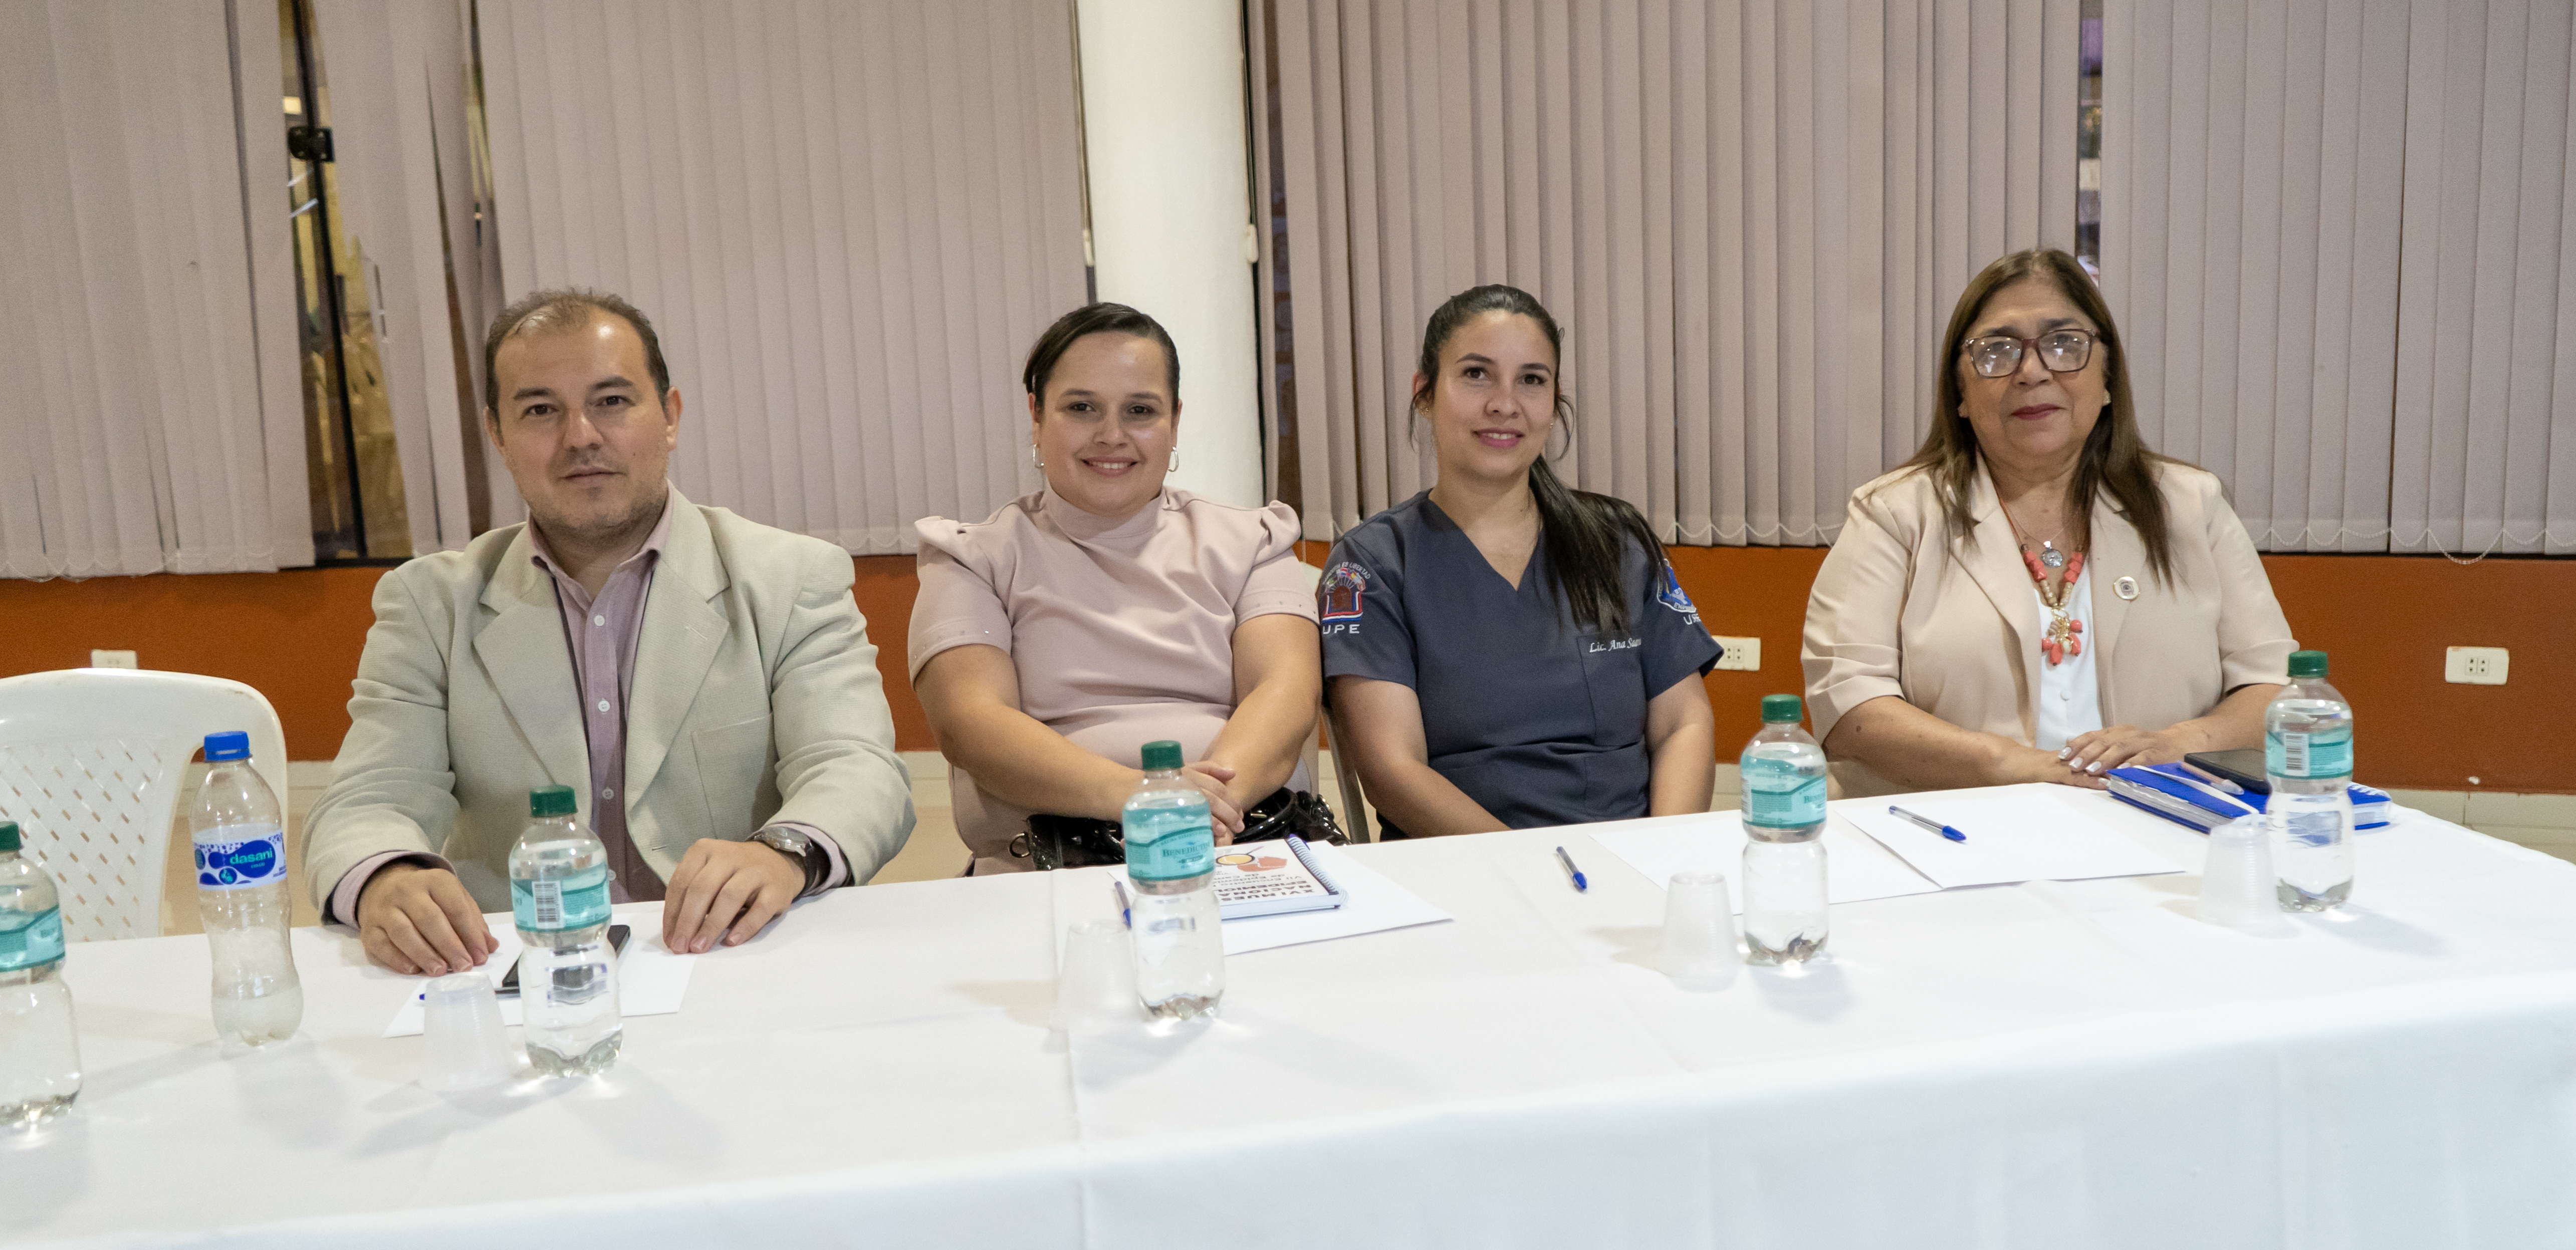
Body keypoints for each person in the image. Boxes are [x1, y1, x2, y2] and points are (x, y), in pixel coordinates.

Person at [306, 289, 915, 974]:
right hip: (518, 967)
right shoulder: (430, 603)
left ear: (670, 416)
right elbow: (368, 799)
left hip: (736, 958)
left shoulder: (789, 578)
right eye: (540, 410)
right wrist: (385, 876)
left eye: (612, 401)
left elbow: (858, 770)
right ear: (498, 436)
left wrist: (782, 852)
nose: (581, 437)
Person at [1801, 248, 2295, 796]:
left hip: (2159, 824)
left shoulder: (2189, 506)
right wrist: (2008, 764)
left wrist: (2176, 743)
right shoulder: (1893, 514)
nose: (2032, 372)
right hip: (1955, 833)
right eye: (1997, 351)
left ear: (2107, 378)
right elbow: (1846, 704)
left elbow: (2274, 686)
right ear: (1960, 393)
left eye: (2064, 344)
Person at [908, 303, 1324, 873]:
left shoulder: (1252, 539)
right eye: (1081, 408)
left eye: (1140, 410)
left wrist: (1201, 812)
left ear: (1175, 420)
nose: (1111, 435)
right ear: (1036, 414)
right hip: (1047, 865)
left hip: (1240, 846)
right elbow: (971, 724)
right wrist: (1149, 800)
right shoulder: (972, 556)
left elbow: (1286, 691)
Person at [1319, 284, 1720, 836]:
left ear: (1553, 406)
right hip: (1467, 870)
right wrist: (1537, 872)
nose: (1504, 404)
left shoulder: (1616, 540)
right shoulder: (1372, 565)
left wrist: (1663, 854)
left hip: (1628, 860)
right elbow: (1392, 771)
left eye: (1531, 380)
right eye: (1476, 374)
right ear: (1424, 394)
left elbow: (1683, 723)